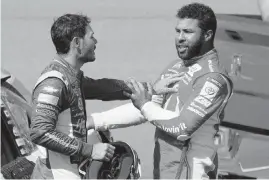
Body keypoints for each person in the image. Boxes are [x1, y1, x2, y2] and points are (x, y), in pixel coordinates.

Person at [87, 3, 233, 179]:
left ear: (207, 35)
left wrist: (145, 105)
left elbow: (183, 128)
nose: (180, 38)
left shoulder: (213, 78)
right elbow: (145, 109)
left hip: (191, 173)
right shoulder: (177, 67)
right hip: (165, 170)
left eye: (187, 32)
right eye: (177, 31)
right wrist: (95, 121)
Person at [29, 14, 179, 179]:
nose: (96, 42)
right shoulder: (54, 82)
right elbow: (40, 132)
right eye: (91, 37)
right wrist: (90, 150)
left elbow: (102, 87)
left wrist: (150, 88)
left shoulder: (69, 75)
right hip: (53, 174)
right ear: (77, 43)